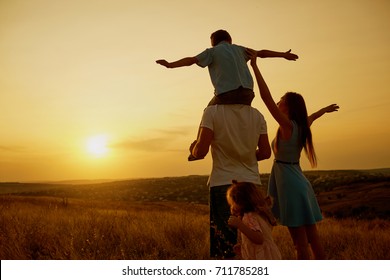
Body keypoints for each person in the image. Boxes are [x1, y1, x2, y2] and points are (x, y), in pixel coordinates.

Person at [249, 51, 339, 260]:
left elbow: (266, 97)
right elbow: (313, 116)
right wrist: (324, 110)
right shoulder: (301, 126)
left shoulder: (287, 125)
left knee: (300, 244)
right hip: (300, 182)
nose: (278, 103)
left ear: (287, 107)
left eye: (281, 101)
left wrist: (255, 67)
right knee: (313, 239)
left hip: (289, 184)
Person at [156, 29, 298, 160]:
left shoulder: (212, 52)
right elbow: (262, 53)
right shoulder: (240, 49)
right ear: (230, 39)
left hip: (226, 95)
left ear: (213, 42)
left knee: (208, 111)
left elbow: (191, 60)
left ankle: (198, 147)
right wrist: (283, 55)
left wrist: (170, 65)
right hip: (248, 94)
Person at [189, 102, 271, 259]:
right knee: (253, 244)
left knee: (226, 246)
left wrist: (192, 149)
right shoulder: (257, 115)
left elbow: (200, 151)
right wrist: (245, 156)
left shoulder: (212, 111)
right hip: (252, 184)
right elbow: (266, 152)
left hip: (224, 185)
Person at [226, 180, 282, 260]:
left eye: (232, 203)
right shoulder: (257, 214)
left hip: (262, 257)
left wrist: (239, 225)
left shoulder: (249, 217)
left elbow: (259, 239)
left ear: (241, 202)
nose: (232, 207)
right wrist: (243, 246)